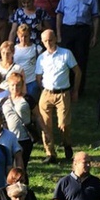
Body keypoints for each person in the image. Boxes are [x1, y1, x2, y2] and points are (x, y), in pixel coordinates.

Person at [36, 29, 80, 163]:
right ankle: (50, 154)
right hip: (47, 93)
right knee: (45, 125)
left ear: (55, 39)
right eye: (45, 41)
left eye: (50, 40)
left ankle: (66, 143)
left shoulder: (66, 54)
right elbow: (38, 76)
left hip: (63, 93)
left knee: (64, 124)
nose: (48, 43)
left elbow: (77, 72)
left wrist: (75, 91)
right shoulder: (41, 57)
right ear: (42, 42)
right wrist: (43, 89)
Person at [56, 0, 98, 95]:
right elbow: (59, 14)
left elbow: (95, 17)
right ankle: (65, 86)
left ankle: (78, 89)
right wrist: (59, 33)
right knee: (65, 58)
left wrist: (94, 35)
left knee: (81, 59)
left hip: (83, 30)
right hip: (68, 29)